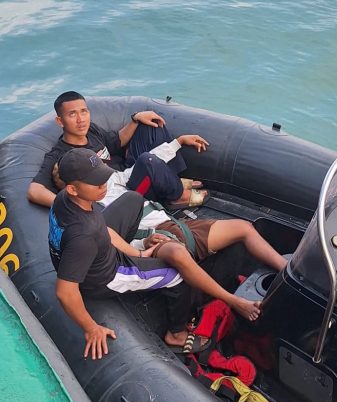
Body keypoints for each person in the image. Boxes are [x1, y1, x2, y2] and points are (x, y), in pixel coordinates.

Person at [48, 148, 270, 360]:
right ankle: (176, 334)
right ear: (72, 189)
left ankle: (140, 251)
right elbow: (66, 292)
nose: (103, 184)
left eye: (103, 177)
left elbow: (102, 230)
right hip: (106, 274)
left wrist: (139, 252)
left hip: (96, 250)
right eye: (95, 182)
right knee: (178, 274)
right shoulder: (83, 236)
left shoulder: (65, 201)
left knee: (133, 199)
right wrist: (91, 328)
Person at [28, 90, 209, 209]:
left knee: (151, 126)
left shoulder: (91, 131)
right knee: (148, 160)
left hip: (126, 173)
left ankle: (170, 180)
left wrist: (136, 118)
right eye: (72, 114)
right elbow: (34, 190)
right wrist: (71, 205)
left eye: (84, 111)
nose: (81, 119)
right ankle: (176, 196)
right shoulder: (61, 154)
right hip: (127, 191)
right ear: (60, 121)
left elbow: (117, 142)